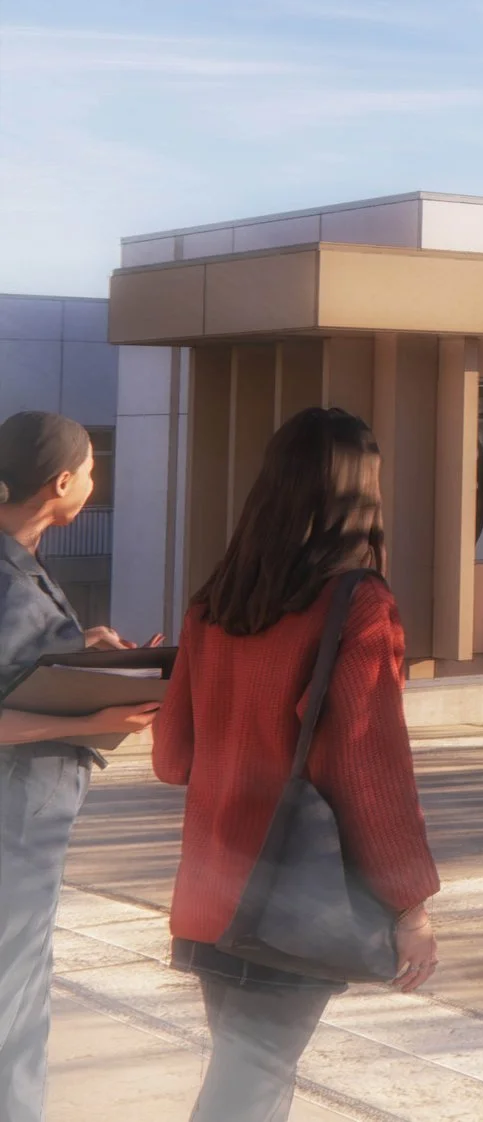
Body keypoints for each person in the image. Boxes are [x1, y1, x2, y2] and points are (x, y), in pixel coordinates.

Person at [153, 408, 440, 1122]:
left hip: (209, 894)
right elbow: (371, 769)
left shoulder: (214, 603)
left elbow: (172, 756)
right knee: (246, 1095)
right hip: (286, 905)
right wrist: (410, 906)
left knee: (250, 1084)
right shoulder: (357, 605)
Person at [1, 411, 160, 1119]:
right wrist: (96, 721)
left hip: (23, 820)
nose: (98, 482)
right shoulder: (8, 580)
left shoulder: (21, 561)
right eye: (94, 469)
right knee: (13, 1000)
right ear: (61, 482)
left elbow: (16, 671)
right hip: (12, 825)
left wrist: (76, 648)